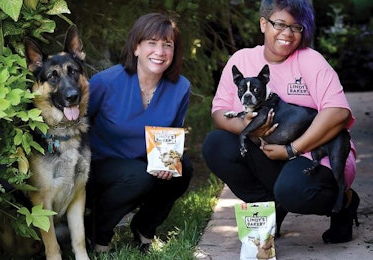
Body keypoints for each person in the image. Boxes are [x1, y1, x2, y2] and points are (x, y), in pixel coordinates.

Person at [202, 0, 359, 244]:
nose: (288, 33)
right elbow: (219, 112)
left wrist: (291, 150)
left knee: (295, 192)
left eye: (296, 27)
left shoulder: (310, 60)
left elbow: (338, 112)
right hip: (268, 151)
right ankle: (270, 208)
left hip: (317, 153)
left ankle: (345, 202)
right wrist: (248, 128)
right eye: (280, 24)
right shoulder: (241, 60)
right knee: (216, 144)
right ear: (263, 24)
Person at [85, 13, 193, 252]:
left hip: (143, 162)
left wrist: (167, 162)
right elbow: (78, 126)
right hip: (97, 166)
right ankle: (96, 234)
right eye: (152, 43)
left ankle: (145, 227)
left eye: (168, 45)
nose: (160, 51)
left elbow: (171, 134)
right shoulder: (104, 82)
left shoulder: (181, 87)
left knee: (182, 167)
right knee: (138, 176)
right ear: (136, 47)